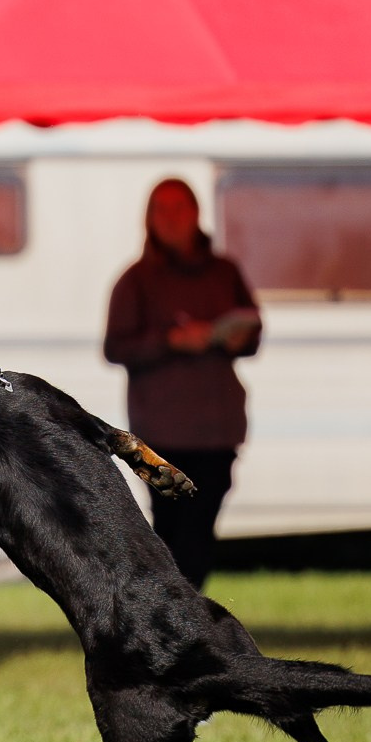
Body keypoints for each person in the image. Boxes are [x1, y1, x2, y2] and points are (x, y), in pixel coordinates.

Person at [103, 177, 262, 590]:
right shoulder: (135, 281)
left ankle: (181, 623)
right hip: (158, 436)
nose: (172, 218)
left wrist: (237, 336)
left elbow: (254, 332)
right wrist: (170, 341)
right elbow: (115, 347)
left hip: (216, 431)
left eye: (180, 208)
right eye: (162, 209)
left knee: (198, 533)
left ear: (197, 214)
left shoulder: (225, 273)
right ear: (149, 220)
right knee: (168, 534)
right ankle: (174, 624)